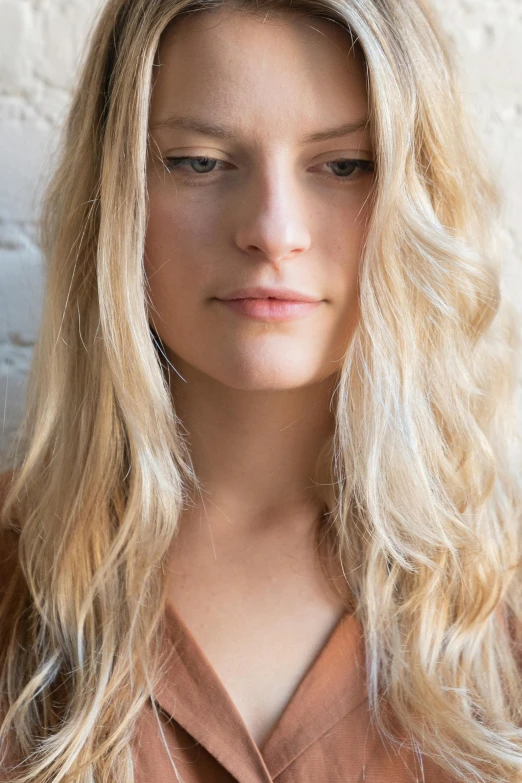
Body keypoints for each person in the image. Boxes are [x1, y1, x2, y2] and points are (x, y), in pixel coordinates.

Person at [1, 0, 521, 780]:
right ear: (117, 197)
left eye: (346, 165)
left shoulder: (500, 595)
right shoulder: (14, 577)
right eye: (199, 162)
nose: (273, 230)